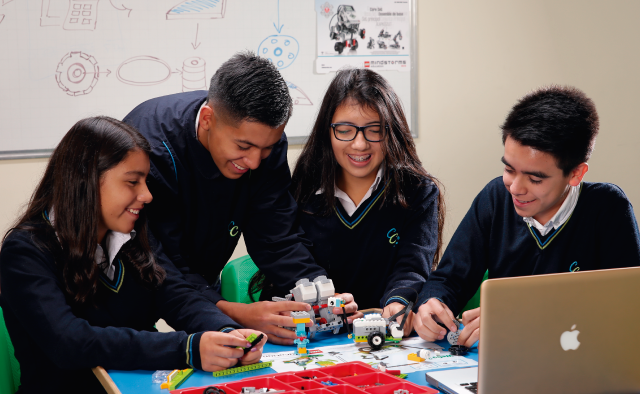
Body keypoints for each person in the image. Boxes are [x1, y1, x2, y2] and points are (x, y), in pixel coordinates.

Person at [0, 117, 266, 394]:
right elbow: (68, 342)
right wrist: (186, 349)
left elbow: (176, 295)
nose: (147, 195)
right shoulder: (26, 251)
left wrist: (226, 334)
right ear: (85, 182)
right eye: (132, 182)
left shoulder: (132, 234)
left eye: (145, 181)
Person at [124, 52, 358, 345]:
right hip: (135, 285)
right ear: (208, 119)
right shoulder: (147, 148)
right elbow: (158, 262)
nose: (255, 162)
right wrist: (236, 313)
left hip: (200, 284)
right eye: (244, 146)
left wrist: (319, 292)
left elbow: (277, 237)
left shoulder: (262, 142)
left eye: (267, 148)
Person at [413, 86, 640, 347]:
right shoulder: (496, 197)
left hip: (581, 362)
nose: (516, 188)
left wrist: (518, 319)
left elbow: (628, 309)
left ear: (576, 174)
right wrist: (432, 303)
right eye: (509, 169)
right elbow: (449, 277)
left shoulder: (607, 208)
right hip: (505, 362)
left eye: (535, 178)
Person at [262, 68, 445, 335]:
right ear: (328, 132)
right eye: (345, 130)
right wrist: (327, 302)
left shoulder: (417, 193)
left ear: (391, 131)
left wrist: (398, 303)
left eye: (374, 130)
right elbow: (286, 263)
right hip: (315, 334)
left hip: (383, 333)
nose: (359, 145)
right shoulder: (302, 190)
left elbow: (412, 265)